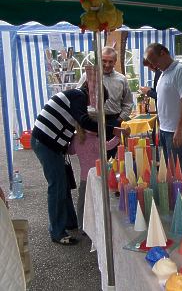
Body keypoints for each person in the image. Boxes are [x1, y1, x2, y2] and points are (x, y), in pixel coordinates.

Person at [31, 82, 127, 245]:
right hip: (46, 143)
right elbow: (85, 122)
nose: (95, 106)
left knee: (63, 184)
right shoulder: (78, 96)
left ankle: (69, 222)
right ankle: (57, 231)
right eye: (99, 101)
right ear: (94, 94)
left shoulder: (75, 96)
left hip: (50, 143)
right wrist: (113, 129)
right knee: (57, 186)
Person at [145, 43, 182, 174]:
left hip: (178, 130)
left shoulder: (181, 71)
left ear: (163, 53)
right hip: (166, 129)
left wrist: (179, 129)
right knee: (171, 169)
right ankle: (176, 193)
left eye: (155, 61)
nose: (154, 66)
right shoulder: (164, 73)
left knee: (178, 170)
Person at [68, 123, 123, 232]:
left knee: (82, 203)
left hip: (84, 178)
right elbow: (108, 146)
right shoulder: (95, 140)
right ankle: (100, 223)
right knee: (100, 200)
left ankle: (82, 226)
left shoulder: (77, 139)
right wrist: (118, 136)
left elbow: (70, 151)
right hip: (98, 176)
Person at [78, 46, 132, 156]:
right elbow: (78, 99)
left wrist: (119, 119)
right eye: (104, 61)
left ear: (115, 62)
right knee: (92, 157)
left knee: (111, 157)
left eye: (110, 61)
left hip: (113, 120)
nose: (107, 65)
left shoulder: (121, 79)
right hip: (91, 122)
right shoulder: (87, 77)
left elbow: (128, 103)